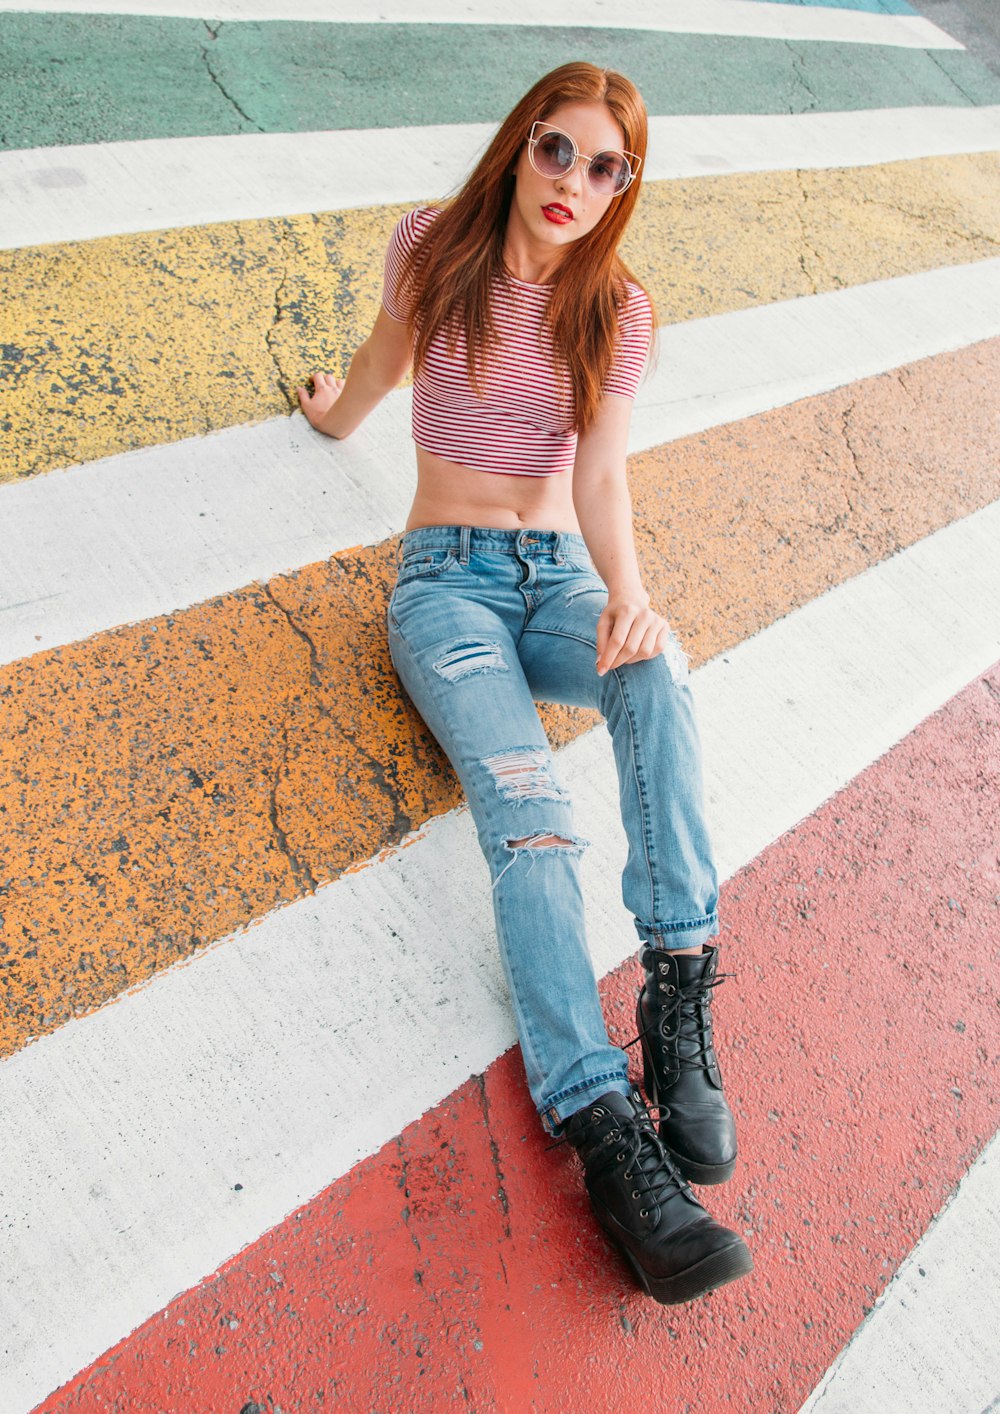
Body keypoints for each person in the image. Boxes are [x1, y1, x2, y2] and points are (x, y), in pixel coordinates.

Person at [299, 61, 752, 1305]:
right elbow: (384, 360)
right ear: (520, 143)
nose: (576, 185)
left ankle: (676, 987)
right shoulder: (431, 247)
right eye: (559, 151)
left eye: (607, 168)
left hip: (558, 579)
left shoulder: (618, 308)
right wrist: (332, 412)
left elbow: (601, 478)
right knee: (531, 821)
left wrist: (628, 595)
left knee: (656, 672)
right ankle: (606, 1133)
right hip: (444, 589)